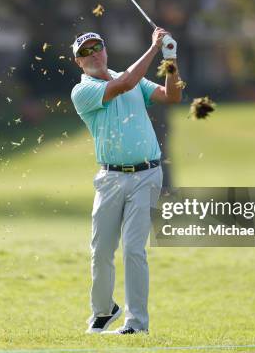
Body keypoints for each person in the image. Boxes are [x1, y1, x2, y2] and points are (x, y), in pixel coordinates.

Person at [70, 28, 182, 335]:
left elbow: (172, 96)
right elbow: (124, 84)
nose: (93, 54)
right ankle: (104, 311)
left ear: (105, 50)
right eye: (85, 52)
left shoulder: (132, 77)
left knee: (134, 249)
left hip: (147, 174)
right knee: (102, 250)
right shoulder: (83, 91)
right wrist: (154, 48)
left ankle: (136, 325)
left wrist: (170, 59)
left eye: (97, 47)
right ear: (78, 62)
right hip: (110, 178)